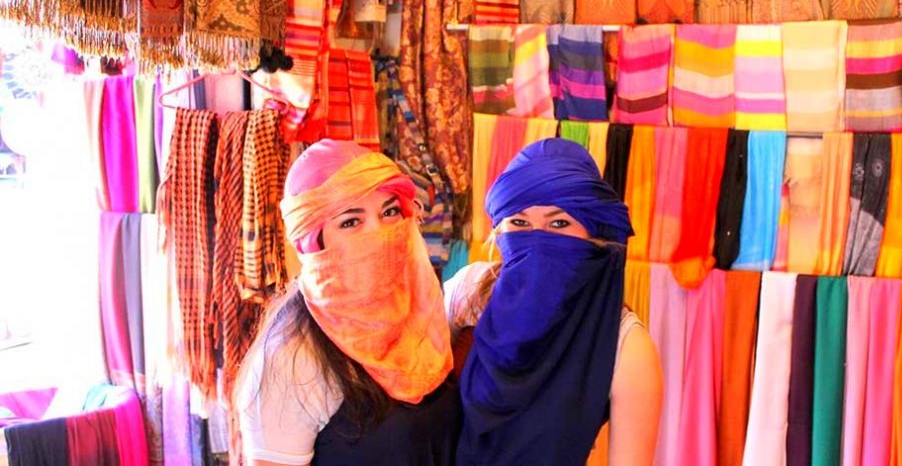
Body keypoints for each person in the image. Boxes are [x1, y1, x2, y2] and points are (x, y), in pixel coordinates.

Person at [235, 140, 459, 465]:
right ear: (314, 242)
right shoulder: (293, 358)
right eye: (351, 222)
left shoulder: (424, 317)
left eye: (390, 211)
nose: (380, 232)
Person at [445, 138, 664, 465]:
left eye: (559, 223)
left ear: (593, 233)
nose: (537, 238)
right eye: (519, 223)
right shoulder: (470, 292)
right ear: (500, 230)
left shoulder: (625, 345)